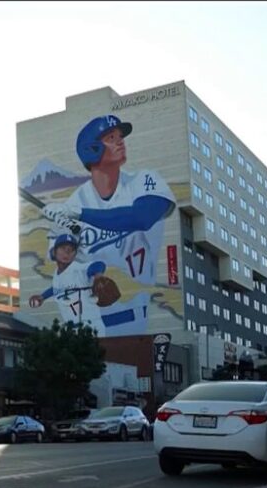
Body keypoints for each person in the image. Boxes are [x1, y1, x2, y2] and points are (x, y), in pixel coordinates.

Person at [39, 115, 177, 335]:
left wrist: (79, 215)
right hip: (89, 324)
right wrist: (60, 230)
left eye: (120, 136)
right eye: (111, 138)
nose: (120, 141)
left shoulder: (143, 180)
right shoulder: (71, 204)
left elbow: (142, 218)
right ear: (91, 149)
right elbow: (62, 265)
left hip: (139, 318)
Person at [28, 233, 108, 336]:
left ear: (74, 254)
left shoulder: (78, 270)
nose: (67, 252)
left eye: (71, 250)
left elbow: (98, 265)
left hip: (91, 327)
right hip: (71, 330)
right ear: (54, 252)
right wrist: (43, 296)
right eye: (63, 248)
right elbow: (57, 288)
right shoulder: (57, 274)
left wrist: (98, 275)